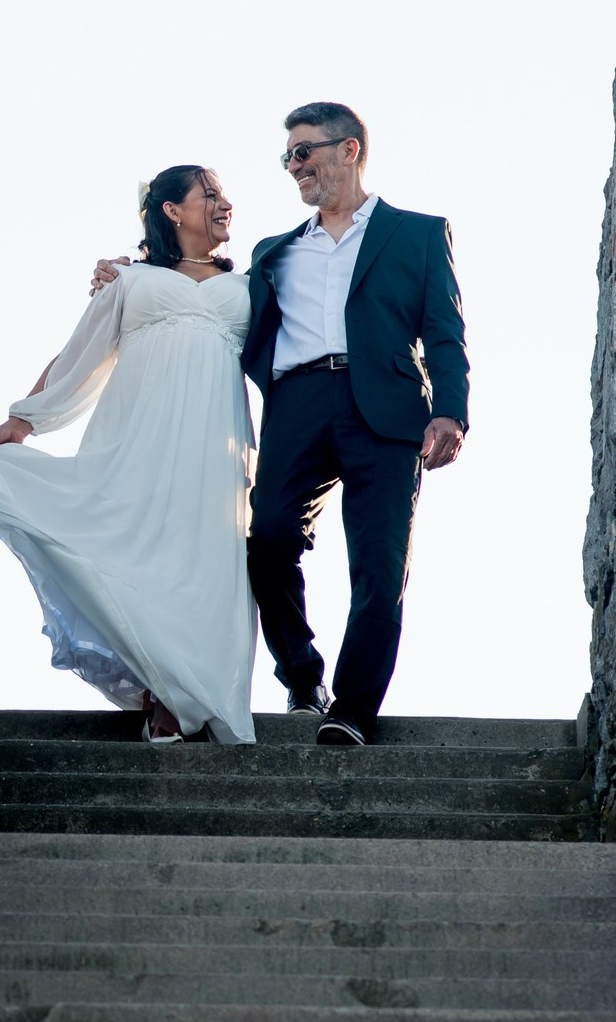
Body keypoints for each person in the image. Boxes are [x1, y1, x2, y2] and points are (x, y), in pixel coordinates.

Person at [93, 102, 467, 746]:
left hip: (387, 413)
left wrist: (450, 411)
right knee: (266, 539)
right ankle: (301, 676)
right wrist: (132, 272)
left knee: (379, 567)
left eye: (304, 151)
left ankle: (352, 709)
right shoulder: (274, 252)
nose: (294, 166)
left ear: (349, 150)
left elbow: (445, 332)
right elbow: (202, 300)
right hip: (297, 405)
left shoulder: (419, 235)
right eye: (288, 156)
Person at [0, 165, 257, 744]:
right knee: (139, 554)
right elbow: (80, 354)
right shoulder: (129, 279)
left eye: (224, 194)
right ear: (172, 210)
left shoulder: (249, 284)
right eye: (210, 194)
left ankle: (191, 694)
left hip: (215, 448)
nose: (224, 203)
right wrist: (24, 418)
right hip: (140, 436)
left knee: (204, 565)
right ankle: (161, 691)